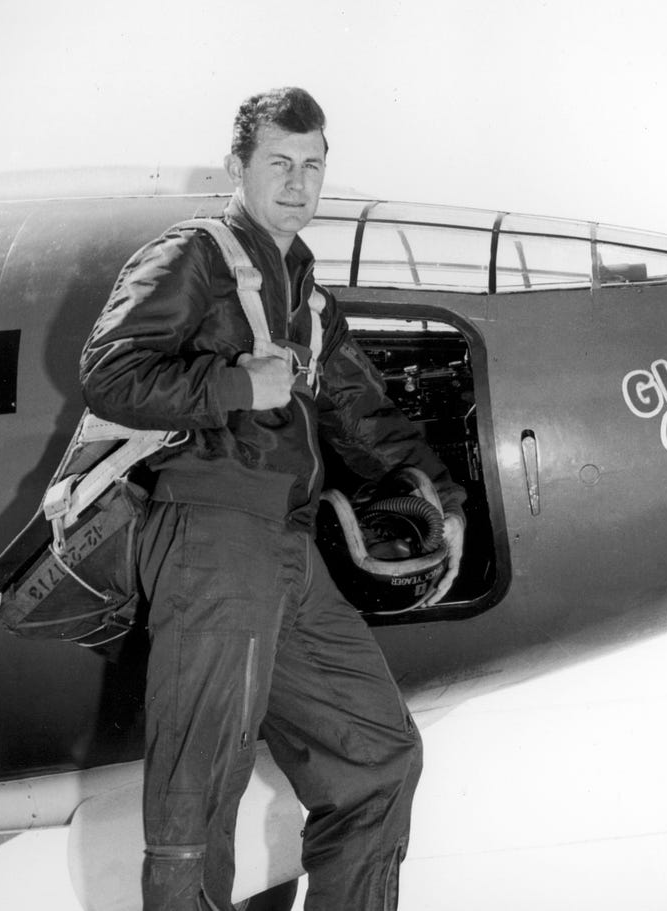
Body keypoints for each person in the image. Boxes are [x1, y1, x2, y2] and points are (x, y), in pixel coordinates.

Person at [80, 86, 466, 911]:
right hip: (210, 533)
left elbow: (363, 413)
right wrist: (232, 383)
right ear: (239, 168)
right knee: (200, 790)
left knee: (378, 755)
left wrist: (444, 494)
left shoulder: (307, 295)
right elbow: (108, 372)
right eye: (280, 164)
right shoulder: (196, 255)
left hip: (287, 550)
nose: (298, 182)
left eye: (313, 166)